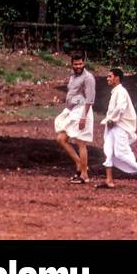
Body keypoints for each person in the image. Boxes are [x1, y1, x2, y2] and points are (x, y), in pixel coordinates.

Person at [99, 67, 137, 190]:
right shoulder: (116, 91)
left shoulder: (121, 91)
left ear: (116, 78)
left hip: (119, 127)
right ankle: (109, 180)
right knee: (108, 151)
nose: (108, 78)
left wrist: (113, 120)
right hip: (114, 127)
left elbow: (121, 108)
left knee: (120, 153)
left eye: (110, 76)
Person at [53, 53, 95, 184]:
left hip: (82, 111)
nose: (78, 66)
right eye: (76, 64)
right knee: (61, 138)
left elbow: (90, 99)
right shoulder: (72, 76)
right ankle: (80, 165)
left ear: (84, 63)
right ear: (72, 64)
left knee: (80, 142)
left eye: (80, 64)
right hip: (72, 111)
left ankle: (84, 175)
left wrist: (84, 117)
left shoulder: (88, 78)